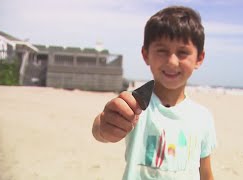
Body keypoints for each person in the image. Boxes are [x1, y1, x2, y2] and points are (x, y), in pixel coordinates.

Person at [92, 6, 216, 180]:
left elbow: (205, 172)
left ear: (199, 58)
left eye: (182, 52)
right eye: (162, 50)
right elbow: (100, 129)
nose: (172, 62)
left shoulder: (203, 117)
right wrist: (105, 127)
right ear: (145, 54)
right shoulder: (134, 104)